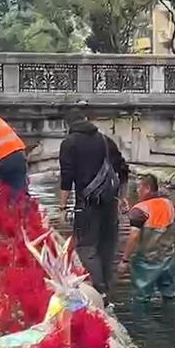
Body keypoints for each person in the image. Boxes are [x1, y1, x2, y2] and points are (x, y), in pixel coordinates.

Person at [58, 112, 130, 299]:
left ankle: (100, 290)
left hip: (87, 204)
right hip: (110, 203)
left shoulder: (70, 143)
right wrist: (122, 197)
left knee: (86, 247)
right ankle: (107, 291)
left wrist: (63, 207)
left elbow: (67, 177)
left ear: (69, 125)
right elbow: (122, 168)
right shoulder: (105, 140)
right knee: (107, 246)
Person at [117, 174, 175, 302]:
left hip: (145, 264)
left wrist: (125, 260)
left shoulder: (139, 210)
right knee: (171, 297)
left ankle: (143, 321)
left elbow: (134, 236)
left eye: (139, 187)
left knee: (141, 300)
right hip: (168, 261)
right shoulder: (169, 205)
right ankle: (170, 319)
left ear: (147, 188)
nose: (137, 191)